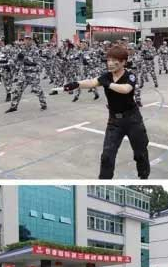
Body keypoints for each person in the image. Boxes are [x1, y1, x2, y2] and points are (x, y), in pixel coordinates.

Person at [64, 45, 150, 179]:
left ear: (123, 62)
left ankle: (144, 177)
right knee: (107, 156)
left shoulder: (130, 76)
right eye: (108, 60)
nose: (110, 63)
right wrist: (76, 84)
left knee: (140, 153)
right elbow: (92, 82)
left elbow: (126, 89)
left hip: (132, 120)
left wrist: (108, 84)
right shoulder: (106, 76)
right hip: (114, 121)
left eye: (114, 61)